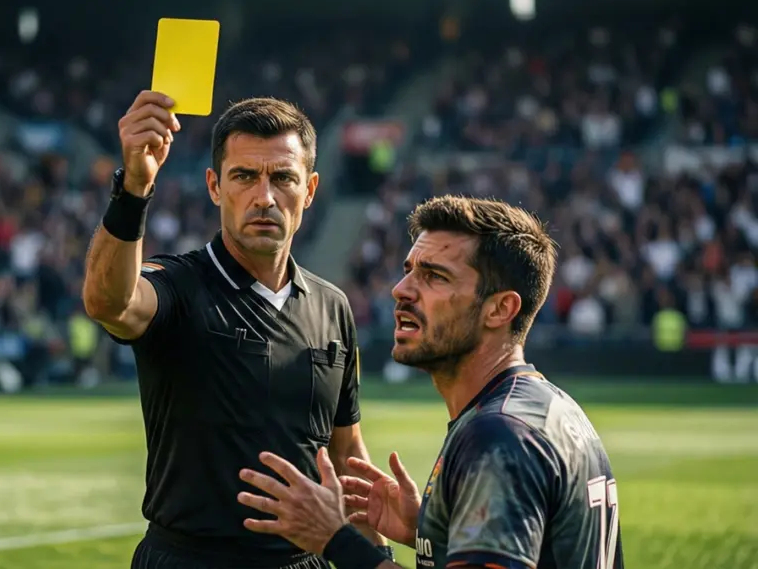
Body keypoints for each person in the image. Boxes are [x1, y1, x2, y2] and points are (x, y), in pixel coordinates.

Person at [82, 91, 391, 569]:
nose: (264, 197)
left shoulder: (333, 306)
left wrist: (375, 553)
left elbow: (347, 452)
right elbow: (108, 301)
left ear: (309, 191)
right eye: (245, 176)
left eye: (283, 178)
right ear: (214, 186)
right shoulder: (180, 286)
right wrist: (134, 189)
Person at [235, 195, 624, 569]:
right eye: (409, 271)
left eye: (435, 276)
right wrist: (429, 532)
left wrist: (335, 538)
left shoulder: (500, 435)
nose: (401, 291)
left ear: (500, 309)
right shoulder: (550, 407)